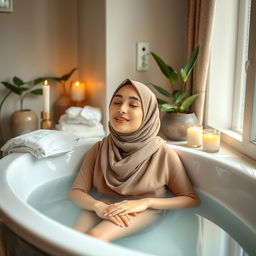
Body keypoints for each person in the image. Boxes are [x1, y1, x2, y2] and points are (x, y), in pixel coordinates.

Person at [68, 78, 200, 242]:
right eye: (117, 102)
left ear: (148, 114)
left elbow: (190, 199)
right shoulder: (100, 148)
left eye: (133, 105)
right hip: (106, 203)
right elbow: (76, 192)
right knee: (73, 235)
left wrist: (146, 202)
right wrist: (98, 206)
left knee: (96, 236)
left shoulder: (163, 153)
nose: (122, 109)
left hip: (147, 209)